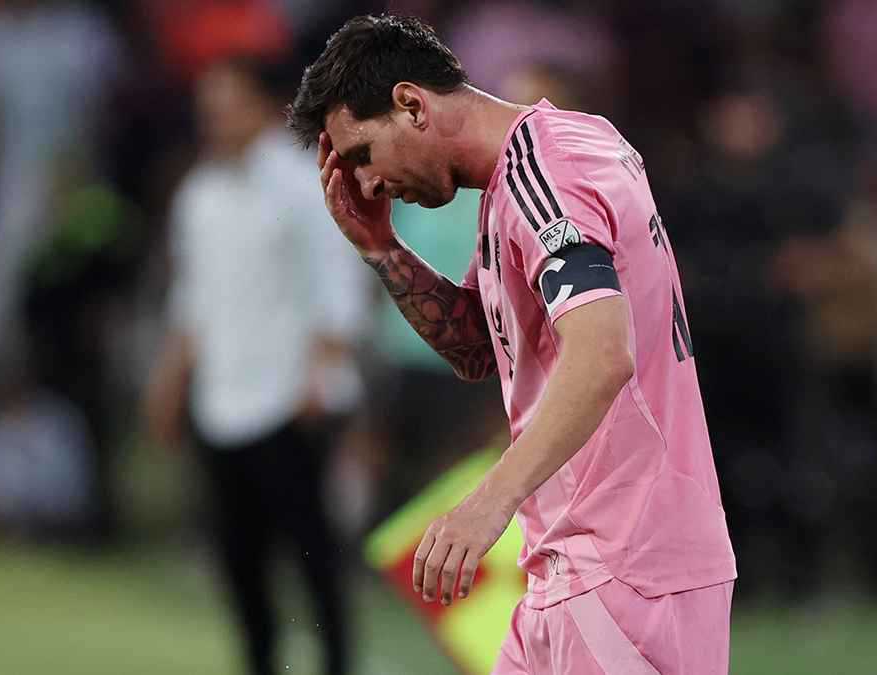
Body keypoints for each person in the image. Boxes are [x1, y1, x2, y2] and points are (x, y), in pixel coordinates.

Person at [287, 14, 737, 675]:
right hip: (571, 564)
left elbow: (601, 354)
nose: (369, 183)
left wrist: (486, 502)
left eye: (363, 154)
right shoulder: (525, 173)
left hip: (627, 568)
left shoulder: (546, 174)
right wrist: (383, 249)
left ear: (411, 104)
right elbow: (478, 348)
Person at [146, 55, 369, 675]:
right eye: (208, 108)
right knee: (238, 558)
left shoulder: (303, 184)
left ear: (265, 107)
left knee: (312, 555)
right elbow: (192, 299)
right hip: (220, 399)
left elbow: (337, 286)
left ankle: (335, 663)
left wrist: (322, 380)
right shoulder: (199, 195)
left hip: (290, 400)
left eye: (228, 105)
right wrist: (171, 379)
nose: (215, 119)